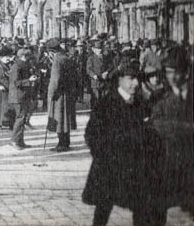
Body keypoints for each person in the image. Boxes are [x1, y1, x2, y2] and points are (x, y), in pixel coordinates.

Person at [83, 59, 165, 226]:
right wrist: (104, 156)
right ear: (120, 79)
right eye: (130, 78)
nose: (135, 83)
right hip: (109, 168)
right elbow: (91, 134)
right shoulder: (106, 104)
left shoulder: (141, 104)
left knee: (141, 210)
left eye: (137, 79)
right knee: (103, 210)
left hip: (136, 169)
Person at [151, 47, 194, 217]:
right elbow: (157, 124)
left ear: (186, 72)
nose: (173, 77)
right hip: (174, 159)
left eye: (177, 72)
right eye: (169, 72)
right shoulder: (161, 98)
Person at [45, 38, 78, 152]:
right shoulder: (66, 58)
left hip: (60, 94)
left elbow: (55, 80)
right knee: (66, 117)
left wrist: (51, 93)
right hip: (68, 91)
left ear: (51, 51)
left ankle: (62, 143)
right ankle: (66, 142)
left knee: (59, 118)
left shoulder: (57, 61)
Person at [8, 47, 38, 149]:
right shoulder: (16, 66)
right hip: (18, 96)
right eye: (28, 56)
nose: (30, 58)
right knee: (20, 119)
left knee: (22, 118)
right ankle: (14, 141)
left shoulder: (23, 65)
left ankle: (20, 141)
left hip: (23, 95)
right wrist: (28, 80)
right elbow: (16, 82)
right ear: (23, 56)